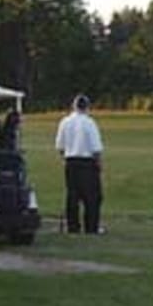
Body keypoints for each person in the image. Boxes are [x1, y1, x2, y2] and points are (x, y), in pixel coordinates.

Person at [55, 94, 104, 234]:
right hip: (87, 162)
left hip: (70, 161)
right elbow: (96, 148)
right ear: (87, 107)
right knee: (92, 197)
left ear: (73, 106)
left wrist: (65, 159)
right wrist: (99, 164)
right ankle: (91, 227)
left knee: (73, 196)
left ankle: (73, 227)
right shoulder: (89, 122)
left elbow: (60, 146)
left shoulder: (65, 122)